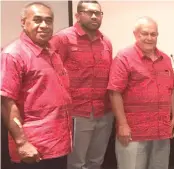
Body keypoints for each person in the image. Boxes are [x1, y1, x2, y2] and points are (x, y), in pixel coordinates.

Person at [0, 2, 72, 169]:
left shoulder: (52, 53)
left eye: (49, 21)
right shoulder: (13, 54)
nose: (44, 25)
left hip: (58, 145)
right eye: (37, 20)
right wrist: (22, 143)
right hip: (34, 150)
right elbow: (6, 102)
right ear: (24, 22)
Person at [107, 16, 174, 169]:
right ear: (136, 34)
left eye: (153, 34)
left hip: (161, 130)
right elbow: (114, 92)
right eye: (145, 34)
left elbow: (171, 89)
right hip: (134, 132)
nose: (149, 38)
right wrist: (122, 124)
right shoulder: (124, 57)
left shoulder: (165, 59)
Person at [50, 1, 114, 169]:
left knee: (96, 161)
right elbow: (51, 73)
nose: (94, 16)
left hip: (104, 111)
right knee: (77, 163)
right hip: (77, 112)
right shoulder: (62, 39)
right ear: (77, 15)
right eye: (89, 12)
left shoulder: (105, 42)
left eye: (98, 13)